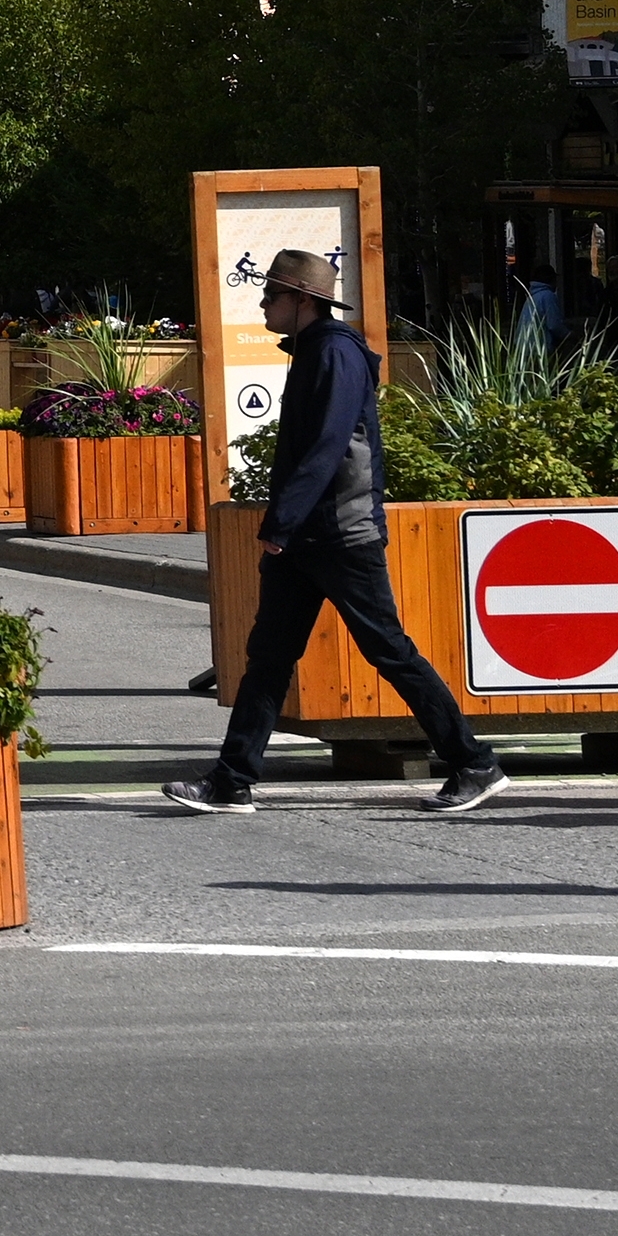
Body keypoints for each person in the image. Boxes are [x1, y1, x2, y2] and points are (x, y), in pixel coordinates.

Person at [162, 251, 502, 819]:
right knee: (268, 658)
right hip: (309, 538)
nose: (264, 303)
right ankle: (232, 781)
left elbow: (326, 446)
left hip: (341, 534)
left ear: (303, 299)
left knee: (388, 651)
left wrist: (281, 523)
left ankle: (474, 763)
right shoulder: (316, 351)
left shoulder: (335, 353)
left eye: (272, 294)